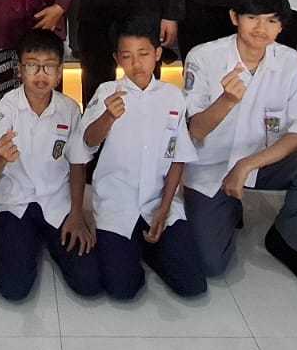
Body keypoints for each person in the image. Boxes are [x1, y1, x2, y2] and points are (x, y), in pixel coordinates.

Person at [181, 0, 297, 288]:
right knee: (210, 264)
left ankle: (286, 238)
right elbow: (196, 130)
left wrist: (247, 165)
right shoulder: (204, 57)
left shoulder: (290, 61)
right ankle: (229, 208)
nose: (261, 28)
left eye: (271, 20)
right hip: (213, 166)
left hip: (265, 161)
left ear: (282, 26)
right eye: (252, 18)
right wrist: (227, 101)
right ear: (234, 17)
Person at [67, 15, 206, 300]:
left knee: (193, 285)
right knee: (123, 290)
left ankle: (150, 248)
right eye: (127, 56)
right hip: (117, 205)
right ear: (117, 58)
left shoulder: (172, 96)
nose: (136, 64)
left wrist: (165, 208)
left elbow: (178, 157)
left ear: (157, 53)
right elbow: (87, 142)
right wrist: (108, 117)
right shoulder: (107, 92)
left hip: (158, 201)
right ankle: (133, 248)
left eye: (143, 54)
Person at [0, 28, 101, 301]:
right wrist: (1, 156)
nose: (41, 74)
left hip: (58, 202)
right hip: (17, 201)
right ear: (20, 70)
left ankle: (45, 238)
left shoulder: (70, 109)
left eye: (49, 66)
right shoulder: (6, 107)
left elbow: (77, 164)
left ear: (60, 72)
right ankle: (22, 239)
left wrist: (77, 214)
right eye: (32, 66)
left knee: (90, 283)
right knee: (14, 290)